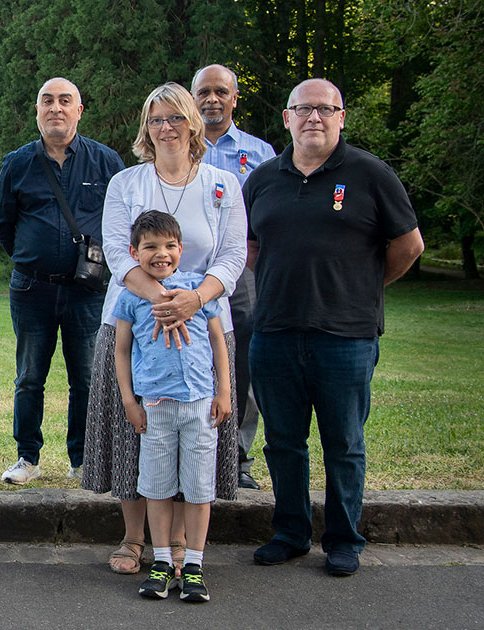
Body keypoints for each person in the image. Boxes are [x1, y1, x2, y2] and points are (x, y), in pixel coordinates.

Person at [245, 79, 423, 577]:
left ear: (342, 117)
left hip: (346, 337)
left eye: (326, 109)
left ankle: (343, 539)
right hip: (275, 333)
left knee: (343, 443)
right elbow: (252, 248)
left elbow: (409, 245)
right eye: (304, 109)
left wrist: (362, 287)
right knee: (283, 442)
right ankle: (291, 532)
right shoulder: (261, 179)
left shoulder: (371, 174)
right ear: (287, 118)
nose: (314, 118)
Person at [82, 82, 245, 577]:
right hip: (133, 321)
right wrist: (161, 300)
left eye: (176, 118)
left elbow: (234, 254)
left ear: (193, 124)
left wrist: (193, 301)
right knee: (140, 433)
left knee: (192, 434)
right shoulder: (126, 184)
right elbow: (114, 251)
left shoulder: (222, 184)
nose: (166, 128)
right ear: (145, 129)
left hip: (204, 326)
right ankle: (134, 539)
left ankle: (177, 544)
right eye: (156, 120)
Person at [0, 77, 124, 484]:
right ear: (37, 110)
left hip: (87, 292)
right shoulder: (18, 163)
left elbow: (121, 221)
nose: (56, 108)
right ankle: (27, 458)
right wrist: (35, 255)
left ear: (79, 111)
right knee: (30, 377)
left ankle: (82, 460)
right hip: (32, 289)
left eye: (65, 101)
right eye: (47, 101)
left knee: (86, 377)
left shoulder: (105, 162)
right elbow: (2, 225)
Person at [114, 211, 230, 603]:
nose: (160, 254)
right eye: (149, 247)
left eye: (169, 246)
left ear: (181, 249)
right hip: (156, 407)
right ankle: (162, 561)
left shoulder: (198, 290)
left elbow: (218, 343)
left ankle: (193, 565)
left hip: (199, 404)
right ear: (134, 252)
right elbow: (122, 349)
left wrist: (225, 392)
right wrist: (129, 400)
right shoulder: (131, 296)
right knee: (157, 487)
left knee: (198, 489)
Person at [191, 64, 277, 490]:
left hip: (240, 274)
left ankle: (236, 456)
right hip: (184, 273)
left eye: (220, 92)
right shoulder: (179, 146)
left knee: (240, 362)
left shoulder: (260, 154)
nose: (212, 99)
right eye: (204, 92)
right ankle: (188, 450)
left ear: (234, 98)